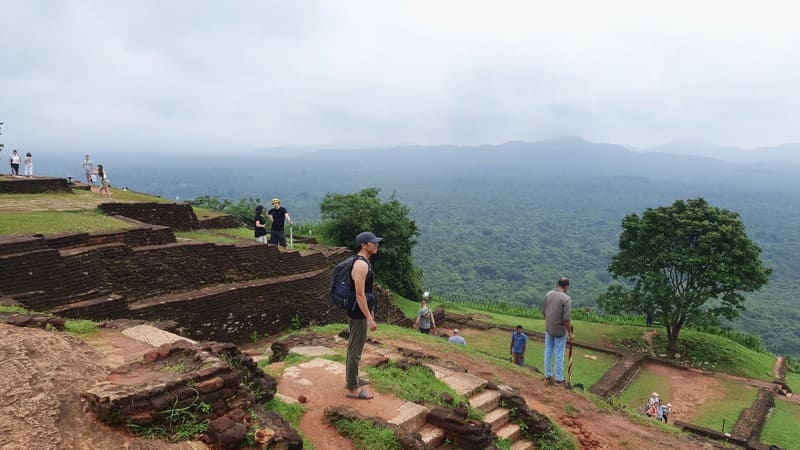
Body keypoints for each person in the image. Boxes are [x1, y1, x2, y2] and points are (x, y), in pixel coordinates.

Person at [345, 231, 381, 400]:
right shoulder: (361, 265)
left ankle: (354, 378)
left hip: (359, 309)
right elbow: (360, 294)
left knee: (356, 347)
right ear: (364, 245)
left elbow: (365, 292)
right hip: (358, 311)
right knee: (355, 350)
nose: (376, 245)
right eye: (373, 243)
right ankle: (353, 388)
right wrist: (369, 318)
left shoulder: (364, 262)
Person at [543, 277, 573, 384]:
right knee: (559, 353)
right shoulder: (566, 299)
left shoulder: (548, 294)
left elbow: (544, 312)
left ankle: (547, 374)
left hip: (549, 327)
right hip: (560, 330)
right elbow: (566, 319)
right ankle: (559, 378)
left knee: (548, 350)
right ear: (566, 287)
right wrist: (570, 333)